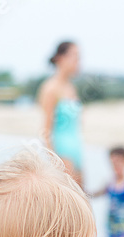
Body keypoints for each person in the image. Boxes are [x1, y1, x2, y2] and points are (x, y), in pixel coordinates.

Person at [39, 41, 83, 186]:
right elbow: (46, 130)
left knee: (84, 202)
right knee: (70, 202)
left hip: (77, 149)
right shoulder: (50, 88)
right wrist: (54, 162)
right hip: (62, 152)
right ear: (60, 58)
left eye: (79, 57)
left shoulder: (71, 88)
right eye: (74, 56)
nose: (78, 61)